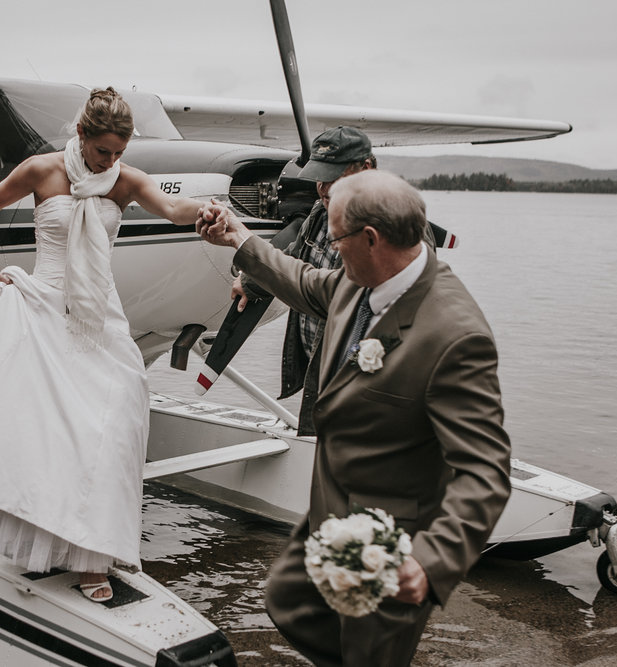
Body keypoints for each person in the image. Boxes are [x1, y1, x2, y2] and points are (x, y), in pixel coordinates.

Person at [197, 170, 512, 665]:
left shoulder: (455, 336)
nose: (330, 246)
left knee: (369, 657)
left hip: (388, 545)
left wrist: (429, 563)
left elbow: (486, 472)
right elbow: (299, 280)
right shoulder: (359, 279)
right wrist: (239, 237)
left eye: (336, 237)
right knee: (286, 601)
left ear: (371, 239)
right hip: (329, 514)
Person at [0, 88, 208, 602]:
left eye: (119, 153)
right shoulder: (41, 170)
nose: (111, 162)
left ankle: (95, 551)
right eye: (103, 151)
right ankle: (56, 545)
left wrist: (212, 210)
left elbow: (175, 209)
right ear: (81, 135)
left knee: (115, 425)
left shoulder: (125, 179)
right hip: (45, 307)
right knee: (49, 430)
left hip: (99, 316)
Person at [233, 126, 376, 436]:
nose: (323, 189)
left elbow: (329, 293)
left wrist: (243, 245)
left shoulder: (392, 232)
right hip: (320, 371)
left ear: (366, 169)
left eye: (333, 177)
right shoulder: (322, 212)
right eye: (320, 179)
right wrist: (252, 283)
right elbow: (296, 257)